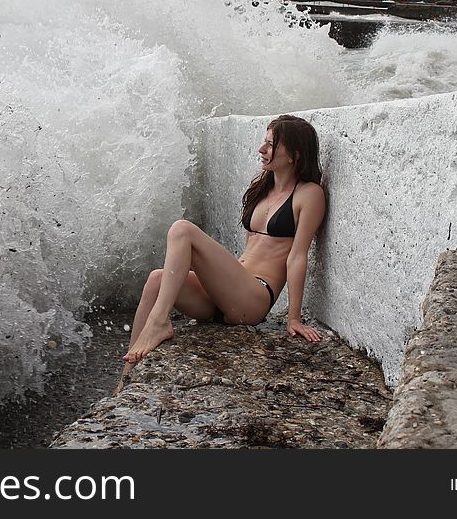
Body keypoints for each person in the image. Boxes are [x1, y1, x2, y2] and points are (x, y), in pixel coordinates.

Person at [116, 115, 326, 392]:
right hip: (225, 295)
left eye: (271, 144)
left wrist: (294, 318)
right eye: (264, 142)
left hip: (252, 299)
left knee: (182, 229)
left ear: (294, 155)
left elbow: (298, 256)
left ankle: (159, 322)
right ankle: (126, 378)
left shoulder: (308, 194)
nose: (261, 150)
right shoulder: (262, 189)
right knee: (156, 279)